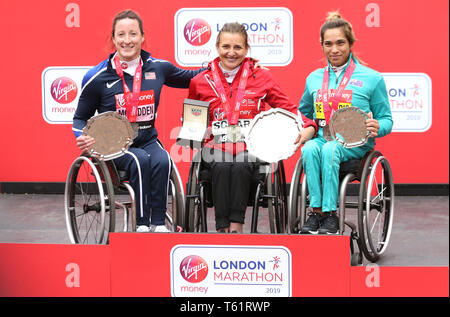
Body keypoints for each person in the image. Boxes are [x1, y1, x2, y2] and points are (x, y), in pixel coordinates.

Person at [72, 9, 203, 233]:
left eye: (133, 34)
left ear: (143, 36)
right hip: (113, 145)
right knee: (139, 159)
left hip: (147, 138)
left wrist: (236, 67)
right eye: (121, 35)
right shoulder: (96, 77)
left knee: (163, 160)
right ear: (113, 39)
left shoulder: (158, 67)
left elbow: (193, 77)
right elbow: (79, 119)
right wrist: (82, 136)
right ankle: (142, 226)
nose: (127, 40)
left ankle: (159, 224)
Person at [188, 22, 317, 233]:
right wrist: (192, 137)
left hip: (252, 146)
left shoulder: (262, 77)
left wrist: (309, 126)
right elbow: (192, 125)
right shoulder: (199, 81)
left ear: (246, 49)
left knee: (240, 164)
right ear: (217, 47)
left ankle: (236, 226)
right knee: (220, 164)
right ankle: (222, 228)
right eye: (226, 47)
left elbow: (288, 108)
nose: (231, 53)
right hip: (216, 147)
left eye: (237, 47)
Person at [294, 11, 393, 234]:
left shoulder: (372, 78)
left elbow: (386, 119)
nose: (334, 49)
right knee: (309, 148)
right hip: (322, 139)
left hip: (355, 144)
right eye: (328, 44)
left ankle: (329, 214)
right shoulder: (314, 78)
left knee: (330, 149)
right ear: (321, 45)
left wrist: (378, 127)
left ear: (350, 44)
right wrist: (309, 127)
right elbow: (304, 112)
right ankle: (316, 211)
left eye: (340, 43)